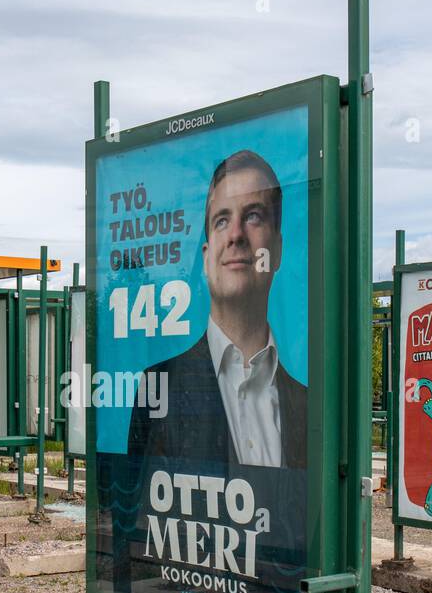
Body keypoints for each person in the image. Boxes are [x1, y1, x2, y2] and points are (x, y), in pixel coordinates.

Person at [126, 149, 306, 468]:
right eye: (222, 220)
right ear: (207, 256)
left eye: (253, 216)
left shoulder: (309, 406)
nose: (236, 235)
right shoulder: (159, 386)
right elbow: (136, 513)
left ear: (276, 249)